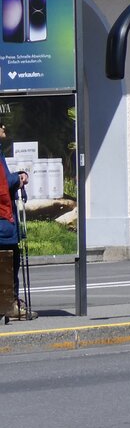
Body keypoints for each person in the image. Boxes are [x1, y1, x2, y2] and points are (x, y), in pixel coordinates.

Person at [1, 122, 35, 320]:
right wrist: (19, 179)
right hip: (3, 221)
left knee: (9, 263)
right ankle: (10, 305)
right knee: (10, 262)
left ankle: (10, 303)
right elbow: (3, 183)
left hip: (5, 220)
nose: (4, 126)